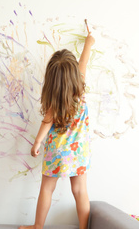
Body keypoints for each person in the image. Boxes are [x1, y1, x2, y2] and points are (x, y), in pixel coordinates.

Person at [19, 31, 95, 229]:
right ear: (74, 75)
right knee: (80, 191)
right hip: (78, 152)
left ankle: (37, 226)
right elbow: (84, 62)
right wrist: (89, 42)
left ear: (51, 80)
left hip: (57, 152)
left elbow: (46, 124)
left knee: (47, 189)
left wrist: (37, 143)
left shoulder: (55, 103)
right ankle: (83, 228)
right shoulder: (80, 93)